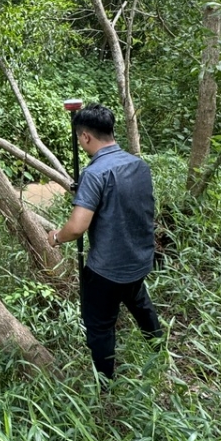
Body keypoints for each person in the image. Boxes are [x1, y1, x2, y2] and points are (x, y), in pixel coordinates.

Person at [48, 103, 163, 379]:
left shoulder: (94, 173)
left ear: (86, 137)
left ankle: (106, 386)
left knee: (99, 326)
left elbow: (77, 228)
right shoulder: (138, 165)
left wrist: (55, 237)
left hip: (107, 271)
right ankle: (160, 353)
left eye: (79, 138)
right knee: (139, 303)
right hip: (139, 260)